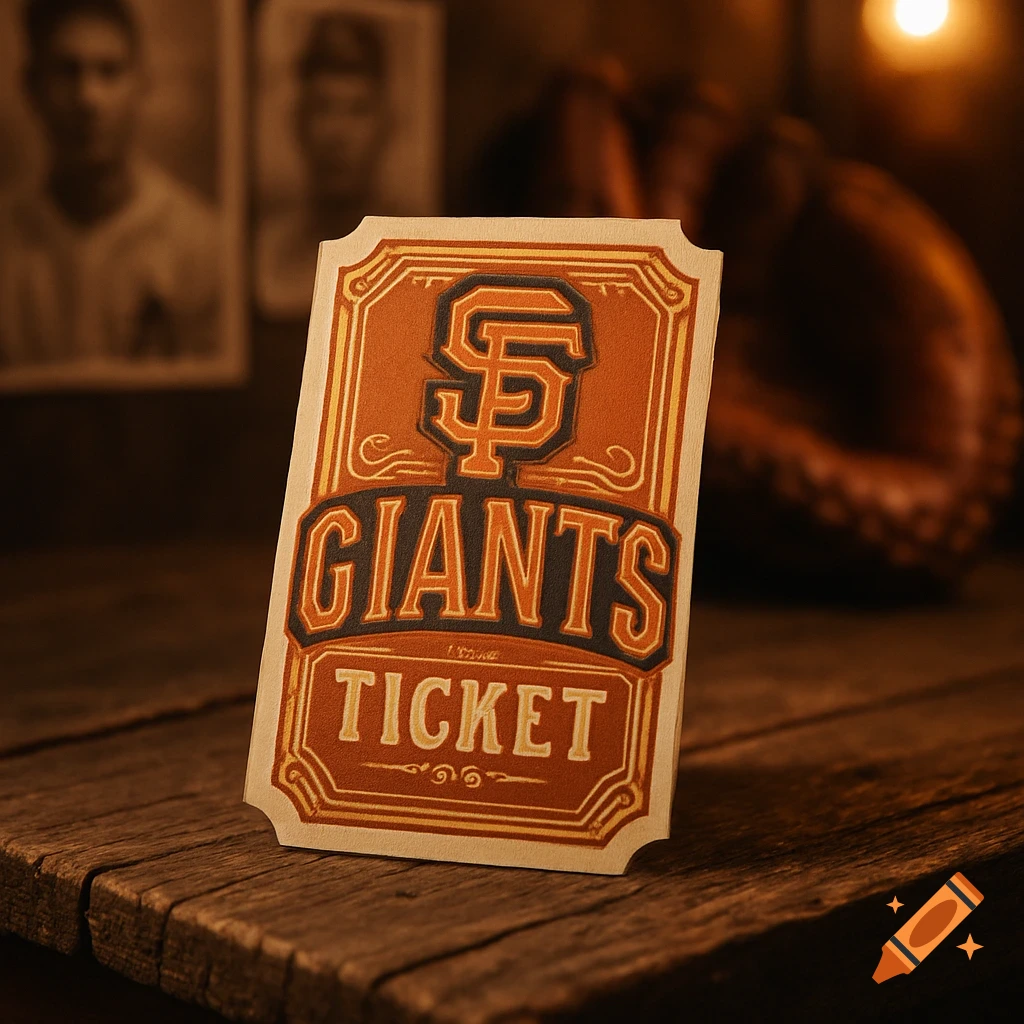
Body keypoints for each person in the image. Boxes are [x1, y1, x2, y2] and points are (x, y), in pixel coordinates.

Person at [0, 0, 220, 369]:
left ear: (142, 84)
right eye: (67, 72)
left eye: (110, 71)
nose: (89, 98)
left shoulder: (200, 243)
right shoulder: (8, 235)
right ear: (32, 87)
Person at [257, 13, 393, 318]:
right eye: (323, 108)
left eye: (358, 110)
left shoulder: (414, 257)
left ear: (386, 127)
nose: (337, 134)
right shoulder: (267, 255)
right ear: (298, 124)